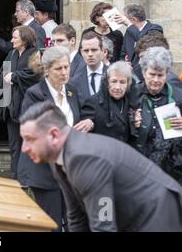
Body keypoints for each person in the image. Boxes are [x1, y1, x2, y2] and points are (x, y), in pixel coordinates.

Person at [20, 101, 182, 232]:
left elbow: (103, 224)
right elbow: (77, 218)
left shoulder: (84, 158)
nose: (24, 148)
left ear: (54, 135)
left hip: (156, 213)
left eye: (30, 139)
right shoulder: (58, 158)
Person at [20, 46, 91, 231]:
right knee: (51, 225)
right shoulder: (34, 94)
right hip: (45, 171)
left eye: (66, 67)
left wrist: (89, 122)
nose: (64, 72)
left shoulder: (72, 91)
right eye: (58, 68)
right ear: (47, 69)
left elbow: (86, 113)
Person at [133, 47, 182, 184]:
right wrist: (132, 121)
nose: (156, 80)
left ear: (167, 74)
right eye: (152, 74)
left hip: (174, 170)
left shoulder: (178, 96)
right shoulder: (132, 95)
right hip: (140, 168)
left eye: (160, 75)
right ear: (144, 73)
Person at [0, 26, 40, 179]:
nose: (12, 40)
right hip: (12, 106)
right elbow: (3, 71)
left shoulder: (35, 54)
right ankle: (16, 176)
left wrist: (15, 76)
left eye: (15, 37)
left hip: (29, 107)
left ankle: (30, 176)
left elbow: (36, 73)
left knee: (30, 144)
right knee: (15, 146)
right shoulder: (11, 54)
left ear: (24, 39)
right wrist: (5, 76)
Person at [81, 61, 135, 143]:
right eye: (114, 81)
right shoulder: (93, 103)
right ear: (107, 82)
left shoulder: (130, 101)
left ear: (128, 84)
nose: (117, 87)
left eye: (122, 82)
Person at [114, 3, 163, 69]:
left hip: (147, 72)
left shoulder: (155, 29)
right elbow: (123, 54)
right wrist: (124, 64)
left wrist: (129, 24)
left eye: (127, 19)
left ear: (134, 19)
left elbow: (145, 44)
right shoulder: (129, 32)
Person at [69, 31, 107, 105]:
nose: (90, 54)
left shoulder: (114, 75)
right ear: (81, 52)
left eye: (94, 50)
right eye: (86, 50)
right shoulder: (74, 82)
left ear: (102, 51)